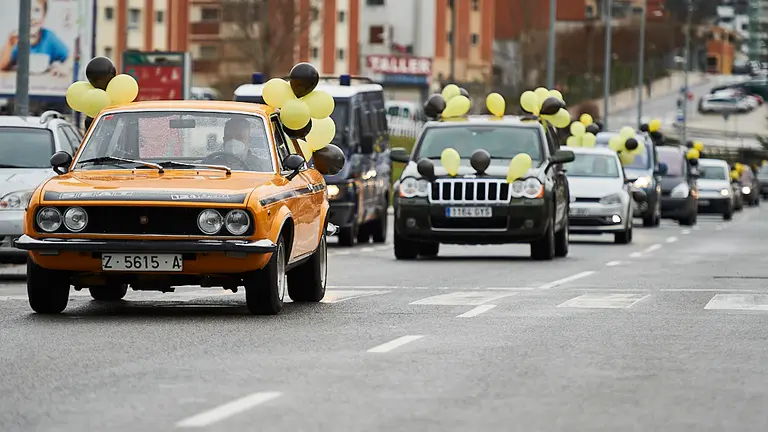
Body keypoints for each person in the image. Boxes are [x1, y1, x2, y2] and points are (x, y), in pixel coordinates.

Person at [0, 0, 68, 76]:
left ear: (44, 15)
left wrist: (65, 67)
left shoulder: (49, 38)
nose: (31, 17)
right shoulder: (16, 39)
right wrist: (10, 44)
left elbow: (70, 56)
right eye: (27, 10)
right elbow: (2, 66)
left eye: (36, 10)